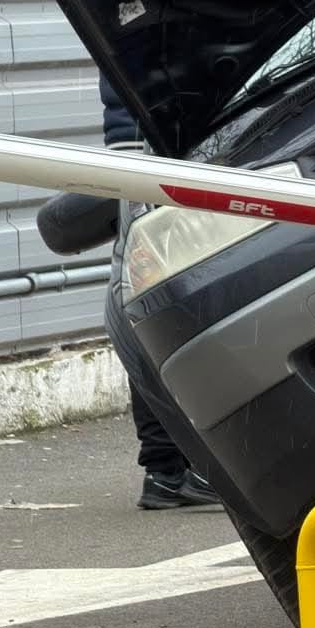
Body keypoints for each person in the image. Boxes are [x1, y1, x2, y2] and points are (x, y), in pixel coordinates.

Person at [100, 77, 221, 512]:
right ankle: (171, 470)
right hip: (155, 149)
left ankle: (167, 470)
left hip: (151, 147)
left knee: (153, 295)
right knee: (159, 300)